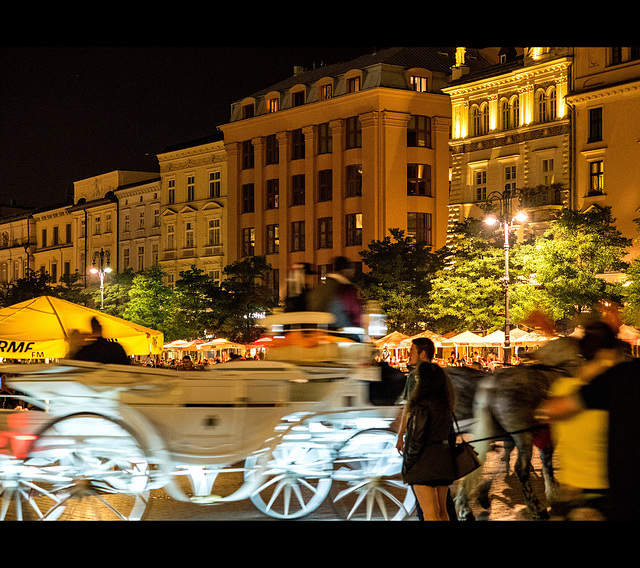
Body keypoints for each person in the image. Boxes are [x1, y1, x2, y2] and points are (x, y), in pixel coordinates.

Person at [538, 328, 639, 521]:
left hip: (571, 495)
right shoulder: (617, 386)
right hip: (606, 497)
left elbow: (548, 412)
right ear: (608, 354)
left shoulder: (561, 388)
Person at [396, 337, 457, 521]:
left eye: (412, 351)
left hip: (424, 459)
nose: (409, 356)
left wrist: (406, 457)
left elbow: (412, 421)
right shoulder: (443, 381)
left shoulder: (415, 378)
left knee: (428, 512)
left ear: (422, 353)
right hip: (443, 457)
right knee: (443, 509)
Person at [308, 256, 363, 332]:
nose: (352, 273)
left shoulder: (319, 287)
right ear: (345, 271)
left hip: (318, 333)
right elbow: (356, 315)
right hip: (340, 333)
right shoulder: (345, 288)